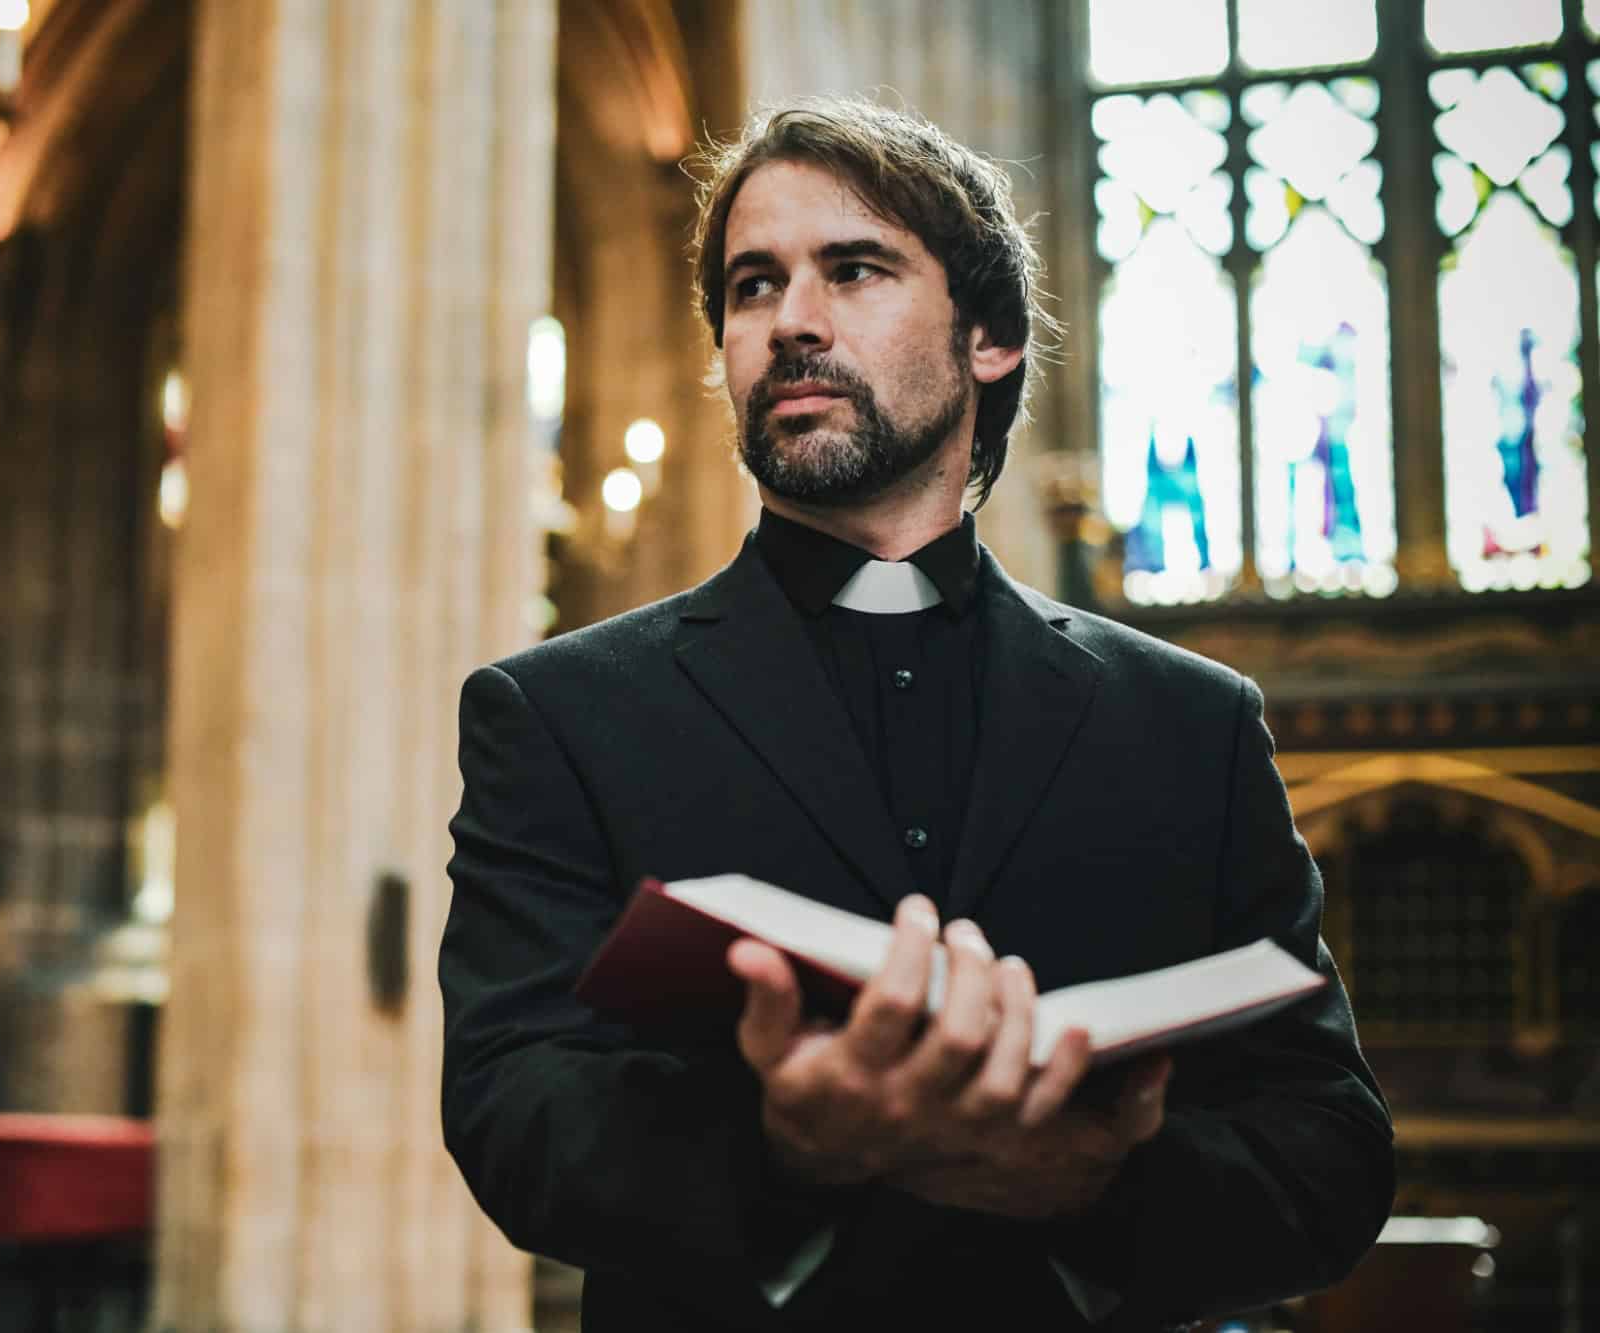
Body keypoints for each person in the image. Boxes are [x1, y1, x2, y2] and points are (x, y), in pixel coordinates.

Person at [439, 95, 1393, 1331]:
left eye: (853, 270)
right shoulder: (558, 710)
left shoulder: (1185, 723)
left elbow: (1326, 1149)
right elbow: (514, 1110)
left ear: (987, 337)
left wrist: (1096, 1184)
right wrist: (786, 1147)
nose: (791, 322)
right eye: (750, 286)